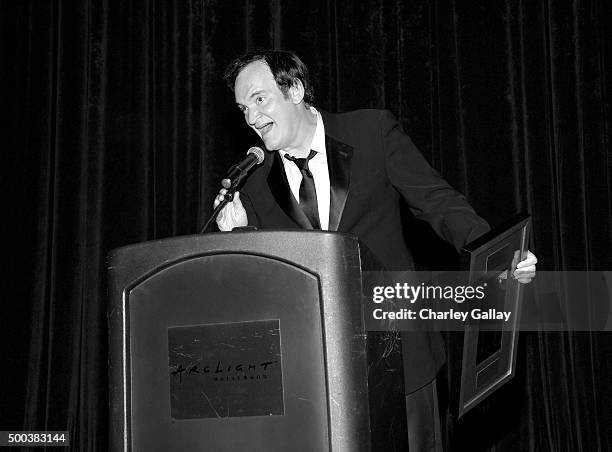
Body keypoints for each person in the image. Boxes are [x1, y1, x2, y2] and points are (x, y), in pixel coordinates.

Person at [214, 50, 537, 451]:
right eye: (243, 108)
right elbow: (264, 284)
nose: (250, 117)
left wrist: (494, 254)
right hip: (318, 372)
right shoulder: (256, 183)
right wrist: (237, 236)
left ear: (294, 89)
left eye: (259, 99)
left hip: (403, 355)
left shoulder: (371, 131)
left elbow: (438, 202)